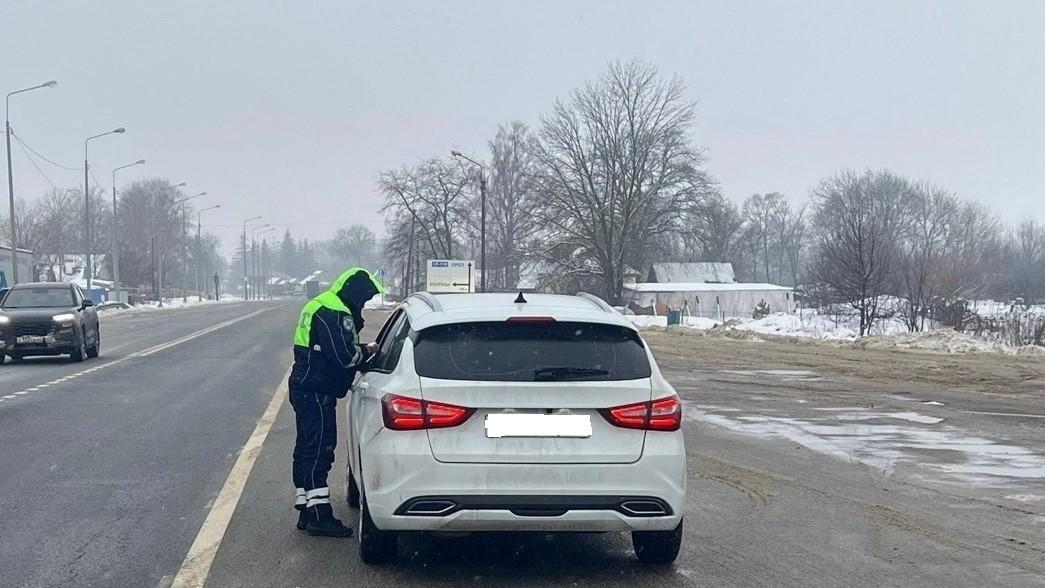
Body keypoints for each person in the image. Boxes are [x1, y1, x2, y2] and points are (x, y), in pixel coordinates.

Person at [289, 267, 384, 536]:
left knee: (307, 449)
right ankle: (320, 515)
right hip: (316, 390)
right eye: (364, 300)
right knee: (319, 449)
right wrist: (368, 351)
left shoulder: (321, 304)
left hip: (306, 386)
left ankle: (307, 509)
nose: (363, 306)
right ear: (355, 295)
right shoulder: (335, 311)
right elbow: (344, 357)